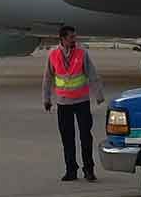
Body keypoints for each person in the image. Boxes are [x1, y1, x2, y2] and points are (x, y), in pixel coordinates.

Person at [43, 25, 105, 182]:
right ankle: (71, 170)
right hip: (63, 104)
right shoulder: (53, 55)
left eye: (74, 37)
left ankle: (88, 170)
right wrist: (47, 98)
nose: (74, 40)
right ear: (63, 39)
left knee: (85, 137)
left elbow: (92, 74)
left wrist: (98, 94)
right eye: (71, 37)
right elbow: (48, 78)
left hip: (81, 101)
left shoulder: (82, 53)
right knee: (67, 138)